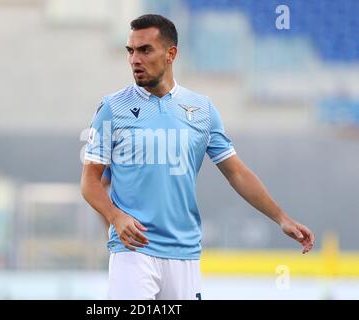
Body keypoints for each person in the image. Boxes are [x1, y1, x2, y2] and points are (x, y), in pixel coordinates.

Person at [81, 14, 314, 300]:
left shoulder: (201, 109)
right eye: (130, 51)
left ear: (171, 54)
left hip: (184, 253)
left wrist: (281, 218)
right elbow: (90, 181)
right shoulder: (112, 108)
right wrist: (115, 217)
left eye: (145, 50)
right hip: (133, 252)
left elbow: (236, 173)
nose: (134, 60)